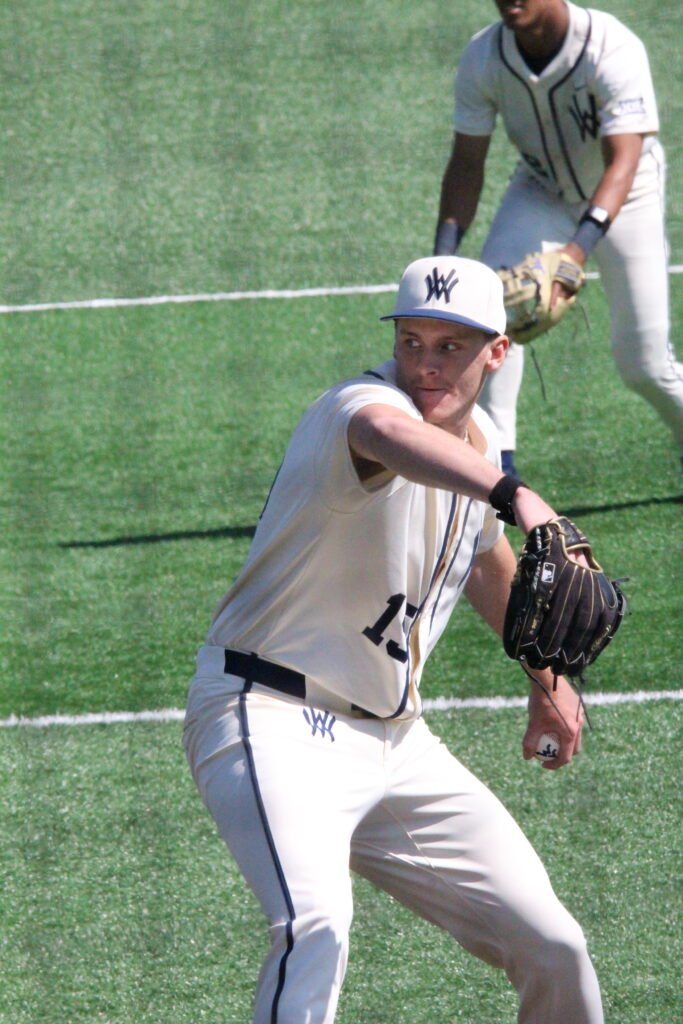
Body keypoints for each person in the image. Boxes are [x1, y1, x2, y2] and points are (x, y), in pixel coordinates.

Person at [183, 254, 605, 1023]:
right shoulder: (360, 408)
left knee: (554, 946)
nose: (424, 364)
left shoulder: (476, 444)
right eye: (411, 342)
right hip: (270, 718)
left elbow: (487, 564)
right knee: (313, 924)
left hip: (397, 744)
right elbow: (388, 436)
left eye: (449, 346)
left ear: (495, 353)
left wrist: (548, 682)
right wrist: (518, 493)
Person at [434, 0, 683, 478]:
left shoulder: (611, 47)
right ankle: (498, 473)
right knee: (493, 312)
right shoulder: (483, 56)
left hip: (628, 194)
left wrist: (577, 251)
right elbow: (466, 162)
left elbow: (624, 159)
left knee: (644, 364)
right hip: (541, 189)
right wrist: (442, 258)